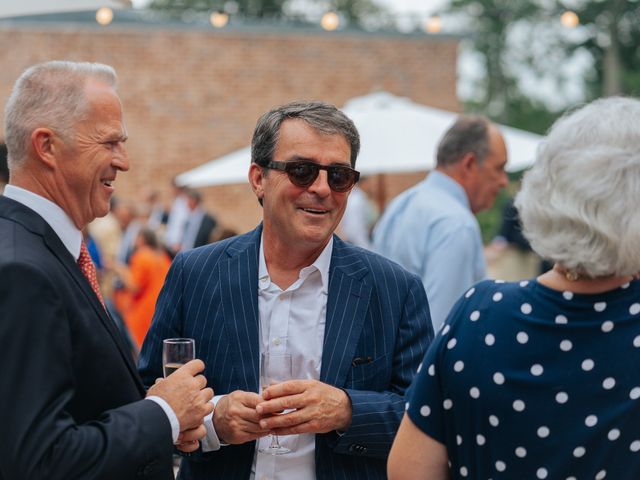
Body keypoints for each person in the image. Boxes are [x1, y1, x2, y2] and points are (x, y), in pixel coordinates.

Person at [139, 100, 433, 480]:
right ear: (258, 178)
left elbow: (427, 417)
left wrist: (347, 410)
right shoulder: (195, 273)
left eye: (339, 176)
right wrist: (214, 423)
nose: (322, 188)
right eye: (302, 171)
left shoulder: (395, 289)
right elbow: (146, 399)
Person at [388, 96, 640, 480]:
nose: (505, 180)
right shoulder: (456, 229)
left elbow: (409, 470)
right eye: (501, 168)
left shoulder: (479, 314)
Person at [0, 60, 214, 480]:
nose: (125, 161)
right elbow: (39, 461)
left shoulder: (37, 248)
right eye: (110, 142)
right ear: (47, 146)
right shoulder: (23, 271)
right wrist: (163, 413)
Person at [373, 116, 508, 330]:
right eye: (499, 168)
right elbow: (442, 330)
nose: (504, 181)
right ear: (470, 164)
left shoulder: (402, 203)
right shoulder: (456, 224)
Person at [112, 227, 172, 348]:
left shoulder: (142, 255)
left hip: (142, 313)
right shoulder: (162, 256)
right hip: (161, 310)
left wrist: (120, 269)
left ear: (142, 239)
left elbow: (134, 286)